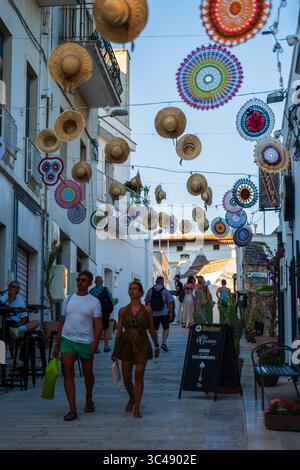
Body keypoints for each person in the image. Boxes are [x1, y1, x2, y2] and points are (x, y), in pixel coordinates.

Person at [53, 270, 103, 421]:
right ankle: (72, 409)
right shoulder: (68, 299)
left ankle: (89, 398)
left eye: (83, 280)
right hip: (68, 341)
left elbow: (98, 324)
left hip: (85, 342)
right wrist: (58, 342)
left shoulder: (94, 302)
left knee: (88, 375)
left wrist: (95, 343)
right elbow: (62, 321)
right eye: (78, 279)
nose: (80, 282)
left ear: (89, 283)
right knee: (68, 372)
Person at [112, 281, 159, 418]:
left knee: (139, 375)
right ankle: (132, 398)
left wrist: (156, 345)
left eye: (135, 289)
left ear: (140, 292)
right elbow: (119, 332)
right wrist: (115, 351)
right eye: (130, 289)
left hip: (142, 343)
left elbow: (151, 328)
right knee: (126, 378)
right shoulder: (122, 311)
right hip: (126, 344)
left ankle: (137, 407)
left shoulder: (147, 310)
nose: (132, 291)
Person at [144, 276, 174, 352]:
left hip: (153, 314)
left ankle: (156, 343)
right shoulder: (165, 291)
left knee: (154, 329)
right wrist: (170, 312)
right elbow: (170, 303)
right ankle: (163, 343)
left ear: (156, 282)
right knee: (166, 328)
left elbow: (146, 303)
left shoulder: (150, 290)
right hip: (164, 313)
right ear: (162, 282)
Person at [90, 276, 113, 353]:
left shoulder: (91, 291)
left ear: (95, 282)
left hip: (94, 313)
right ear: (102, 281)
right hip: (104, 312)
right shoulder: (105, 290)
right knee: (106, 329)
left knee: (95, 330)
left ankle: (96, 347)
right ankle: (106, 346)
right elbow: (111, 299)